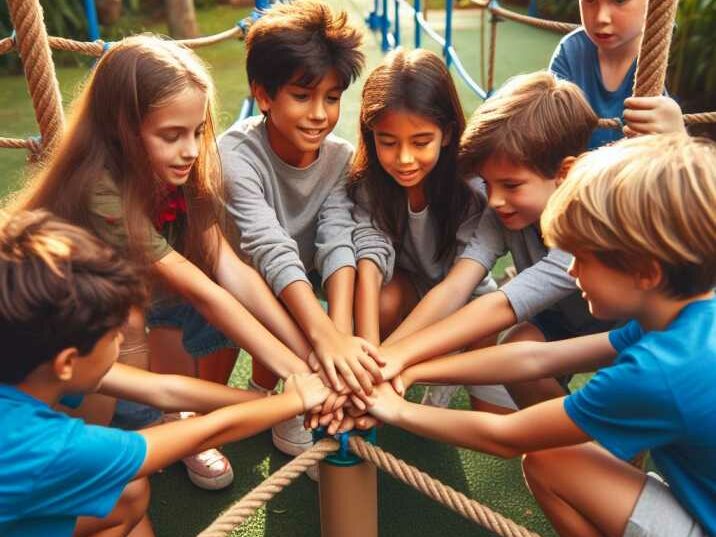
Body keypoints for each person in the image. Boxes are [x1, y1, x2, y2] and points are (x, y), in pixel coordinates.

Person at [9, 35, 330, 489]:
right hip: (72, 332)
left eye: (197, 131)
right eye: (172, 135)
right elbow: (199, 287)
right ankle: (119, 443)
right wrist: (297, 372)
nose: (192, 149)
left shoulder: (181, 170)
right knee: (133, 328)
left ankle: (172, 424)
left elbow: (225, 266)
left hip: (137, 301)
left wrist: (305, 356)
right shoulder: (101, 188)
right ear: (122, 128)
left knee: (216, 295)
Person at [368, 133, 716, 537]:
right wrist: (411, 371)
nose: (571, 272)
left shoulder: (660, 372)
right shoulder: (682, 316)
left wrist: (395, 409)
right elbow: (536, 359)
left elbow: (505, 436)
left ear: (646, 271)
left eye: (583, 258)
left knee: (548, 461)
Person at [0, 209, 330, 537]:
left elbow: (164, 390)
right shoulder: (45, 446)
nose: (122, 337)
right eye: (113, 332)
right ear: (67, 363)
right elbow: (206, 433)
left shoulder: (28, 362)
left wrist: (268, 400)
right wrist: (296, 400)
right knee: (124, 486)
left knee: (127, 495)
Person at [378, 72, 612, 410]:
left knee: (629, 401)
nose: (495, 200)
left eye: (512, 185)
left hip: (628, 327)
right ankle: (567, 450)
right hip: (564, 318)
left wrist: (397, 358)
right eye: (487, 183)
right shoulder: (503, 211)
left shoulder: (589, 226)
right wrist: (384, 358)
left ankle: (606, 456)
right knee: (519, 350)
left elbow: (501, 306)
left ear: (564, 173)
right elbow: (457, 285)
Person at [219, 0, 384, 435]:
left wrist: (342, 336)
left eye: (331, 98)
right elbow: (268, 245)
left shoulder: (339, 158)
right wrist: (324, 340)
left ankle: (288, 391)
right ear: (263, 95)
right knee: (221, 337)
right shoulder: (235, 155)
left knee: (326, 296)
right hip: (240, 280)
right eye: (301, 96)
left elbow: (337, 240)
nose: (319, 114)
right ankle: (254, 393)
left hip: (302, 276)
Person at [347, 48, 497, 409]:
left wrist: (384, 360)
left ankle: (443, 370)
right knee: (381, 299)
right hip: (412, 284)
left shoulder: (472, 187)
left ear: (446, 134)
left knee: (487, 321)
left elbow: (457, 287)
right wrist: (368, 352)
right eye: (388, 142)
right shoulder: (369, 182)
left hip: (464, 295)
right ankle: (407, 368)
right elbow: (369, 259)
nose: (404, 159)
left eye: (420, 142)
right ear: (371, 135)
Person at [549, 0, 685, 149]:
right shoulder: (571, 51)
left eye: (619, 1)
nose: (602, 17)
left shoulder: (675, 60)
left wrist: (677, 136)